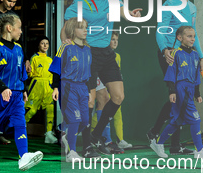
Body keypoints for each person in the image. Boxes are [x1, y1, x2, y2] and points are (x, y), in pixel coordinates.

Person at [63, 0, 141, 157]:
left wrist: (133, 15)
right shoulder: (80, 2)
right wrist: (67, 45)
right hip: (88, 54)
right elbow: (67, 27)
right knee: (90, 102)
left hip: (106, 53)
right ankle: (86, 145)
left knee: (117, 97)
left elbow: (124, 12)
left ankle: (97, 136)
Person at [147, 0, 203, 157]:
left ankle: (173, 144)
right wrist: (165, 50)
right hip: (171, 54)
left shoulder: (193, 8)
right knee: (179, 95)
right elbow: (160, 30)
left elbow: (193, 35)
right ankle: (156, 133)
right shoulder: (170, 3)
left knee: (183, 97)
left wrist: (201, 56)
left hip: (186, 56)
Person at [0, 13, 43, 172]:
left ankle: (23, 157)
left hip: (16, 95)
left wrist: (24, 89)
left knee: (20, 123)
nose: (21, 31)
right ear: (9, 28)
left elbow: (22, 72)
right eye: (19, 28)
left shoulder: (20, 48)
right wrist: (3, 88)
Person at [152, 26, 203, 159]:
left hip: (190, 89)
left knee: (177, 121)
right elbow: (171, 74)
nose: (192, 39)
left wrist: (197, 93)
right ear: (179, 38)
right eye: (189, 36)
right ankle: (199, 149)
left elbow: (196, 76)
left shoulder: (195, 55)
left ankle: (158, 143)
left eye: (193, 36)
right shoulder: (176, 53)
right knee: (195, 119)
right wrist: (172, 91)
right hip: (180, 89)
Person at [50, 18, 92, 163]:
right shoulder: (65, 47)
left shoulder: (88, 50)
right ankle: (71, 152)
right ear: (73, 31)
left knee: (85, 121)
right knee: (74, 119)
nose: (85, 30)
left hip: (83, 87)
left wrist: (90, 91)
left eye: (86, 27)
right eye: (81, 28)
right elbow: (56, 69)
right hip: (68, 86)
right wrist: (55, 87)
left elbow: (89, 72)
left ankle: (66, 135)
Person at [91, 32, 132, 150]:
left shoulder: (115, 56)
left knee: (115, 100)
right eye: (112, 39)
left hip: (106, 73)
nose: (114, 42)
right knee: (98, 101)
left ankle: (106, 138)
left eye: (116, 39)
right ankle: (105, 140)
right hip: (95, 69)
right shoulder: (94, 47)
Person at [25, 37, 58, 144]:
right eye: (42, 43)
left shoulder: (50, 59)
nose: (45, 45)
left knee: (50, 109)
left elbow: (53, 75)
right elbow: (29, 73)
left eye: (47, 43)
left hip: (48, 87)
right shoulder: (34, 58)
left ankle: (48, 134)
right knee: (32, 110)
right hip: (37, 86)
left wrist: (54, 87)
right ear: (38, 45)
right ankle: (20, 129)